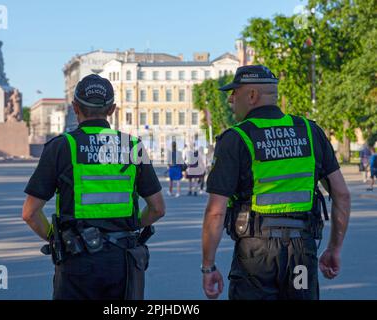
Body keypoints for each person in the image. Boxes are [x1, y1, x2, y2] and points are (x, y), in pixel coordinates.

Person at [201, 65, 351, 300]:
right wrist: (334, 249)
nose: (230, 100)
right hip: (301, 254)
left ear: (252, 96)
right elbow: (342, 194)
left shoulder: (237, 138)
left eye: (235, 92)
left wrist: (208, 266)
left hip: (256, 258)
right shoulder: (310, 133)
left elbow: (216, 212)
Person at [22, 74, 165, 300]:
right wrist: (130, 226)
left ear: (75, 107)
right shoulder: (133, 146)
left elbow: (30, 213)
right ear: (112, 109)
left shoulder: (62, 147)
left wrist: (55, 237)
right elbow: (157, 208)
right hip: (122, 262)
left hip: (77, 261)